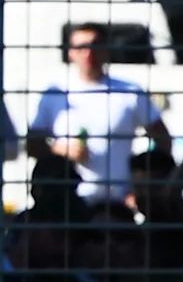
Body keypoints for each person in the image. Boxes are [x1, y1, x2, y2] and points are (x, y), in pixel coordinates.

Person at [23, 22, 171, 209]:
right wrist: (59, 150)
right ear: (70, 53)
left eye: (95, 46)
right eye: (81, 47)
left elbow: (163, 138)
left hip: (119, 203)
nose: (88, 53)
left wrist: (143, 187)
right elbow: (32, 144)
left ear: (106, 50)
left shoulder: (130, 92)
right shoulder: (55, 93)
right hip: (70, 203)